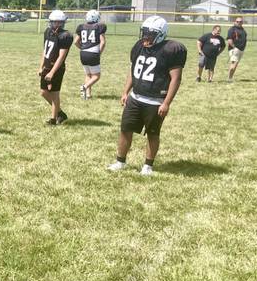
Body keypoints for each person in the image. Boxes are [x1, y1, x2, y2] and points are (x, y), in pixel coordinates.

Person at [108, 16, 186, 176]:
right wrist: (125, 91)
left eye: (150, 34)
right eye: (144, 32)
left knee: (152, 133)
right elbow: (133, 70)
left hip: (156, 100)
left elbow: (176, 79)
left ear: (161, 34)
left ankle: (148, 166)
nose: (146, 36)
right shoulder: (139, 46)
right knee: (125, 129)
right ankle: (120, 161)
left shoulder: (170, 50)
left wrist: (166, 103)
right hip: (136, 97)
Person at [39, 10, 73, 125]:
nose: (55, 25)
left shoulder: (65, 36)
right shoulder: (48, 32)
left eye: (58, 22)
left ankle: (53, 119)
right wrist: (41, 66)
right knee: (43, 92)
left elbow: (61, 57)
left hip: (57, 68)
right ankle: (60, 113)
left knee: (54, 93)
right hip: (47, 66)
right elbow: (45, 51)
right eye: (53, 22)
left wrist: (52, 72)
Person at [73, 9, 106, 100]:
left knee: (88, 74)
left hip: (83, 53)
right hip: (93, 52)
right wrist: (99, 52)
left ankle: (87, 95)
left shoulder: (81, 26)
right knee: (96, 76)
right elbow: (102, 42)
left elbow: (75, 41)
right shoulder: (99, 27)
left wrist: (83, 48)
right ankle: (84, 86)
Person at [226, 16, 247, 82]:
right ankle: (229, 78)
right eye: (237, 21)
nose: (239, 23)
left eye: (240, 21)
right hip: (235, 49)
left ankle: (231, 77)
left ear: (242, 22)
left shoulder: (242, 29)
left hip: (241, 49)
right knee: (233, 63)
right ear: (235, 22)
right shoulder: (232, 29)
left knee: (236, 64)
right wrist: (234, 47)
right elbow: (229, 40)